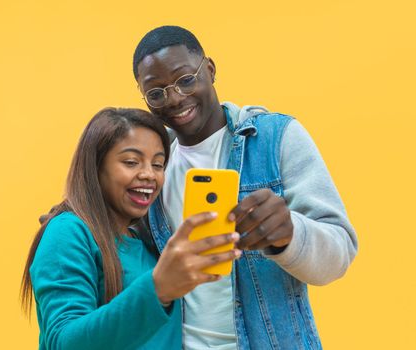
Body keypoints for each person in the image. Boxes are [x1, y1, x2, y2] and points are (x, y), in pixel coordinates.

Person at [131, 26, 358, 349]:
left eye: (185, 80)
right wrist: (75, 214)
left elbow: (339, 254)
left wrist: (289, 234)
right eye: (156, 93)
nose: (175, 99)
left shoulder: (276, 138)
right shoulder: (153, 166)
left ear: (209, 69)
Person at [21, 107, 241, 350]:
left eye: (158, 164)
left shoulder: (150, 242)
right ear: (95, 167)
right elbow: (63, 342)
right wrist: (157, 290)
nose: (149, 175)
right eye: (131, 162)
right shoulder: (68, 232)